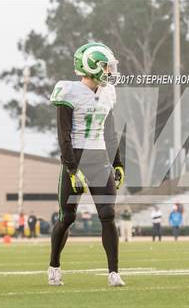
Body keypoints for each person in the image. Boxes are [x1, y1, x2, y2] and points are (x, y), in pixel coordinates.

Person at [48, 42, 125, 287]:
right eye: (104, 65)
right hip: (76, 157)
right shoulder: (68, 91)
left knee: (108, 214)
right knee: (67, 217)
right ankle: (54, 266)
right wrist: (71, 169)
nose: (109, 70)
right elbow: (64, 135)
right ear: (90, 65)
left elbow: (110, 133)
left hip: (98, 157)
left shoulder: (108, 92)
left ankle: (113, 272)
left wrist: (117, 163)